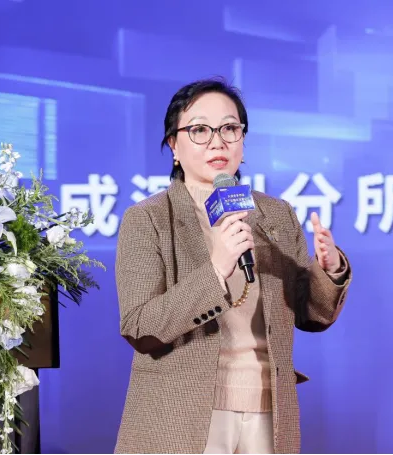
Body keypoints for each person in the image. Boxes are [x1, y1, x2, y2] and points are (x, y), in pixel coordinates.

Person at [114, 78, 352, 455]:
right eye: (199, 130)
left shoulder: (276, 214)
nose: (217, 142)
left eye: (229, 128)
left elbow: (311, 315)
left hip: (269, 412)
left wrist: (329, 269)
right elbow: (140, 326)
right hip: (184, 415)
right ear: (174, 145)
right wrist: (216, 268)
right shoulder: (148, 219)